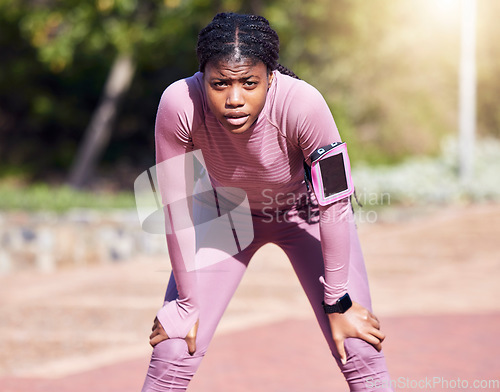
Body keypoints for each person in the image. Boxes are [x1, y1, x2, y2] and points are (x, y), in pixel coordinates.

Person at [141, 12, 393, 392]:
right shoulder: (180, 103)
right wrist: (187, 303)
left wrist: (338, 303)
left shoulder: (304, 104)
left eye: (249, 83)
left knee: (357, 345)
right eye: (219, 84)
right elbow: (176, 210)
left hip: (304, 213)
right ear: (202, 77)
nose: (234, 99)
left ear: (271, 77)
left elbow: (336, 204)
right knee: (175, 347)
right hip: (223, 213)